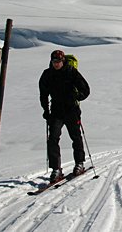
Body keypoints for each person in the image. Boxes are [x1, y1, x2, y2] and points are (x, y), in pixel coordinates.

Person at [39, 50, 91, 182]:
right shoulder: (47, 74)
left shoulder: (71, 72)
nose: (56, 64)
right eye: (54, 62)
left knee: (76, 137)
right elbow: (43, 94)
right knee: (53, 139)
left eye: (58, 62)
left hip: (71, 110)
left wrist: (78, 96)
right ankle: (56, 169)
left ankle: (79, 163)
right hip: (56, 111)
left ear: (63, 61)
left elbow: (86, 89)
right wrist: (46, 110)